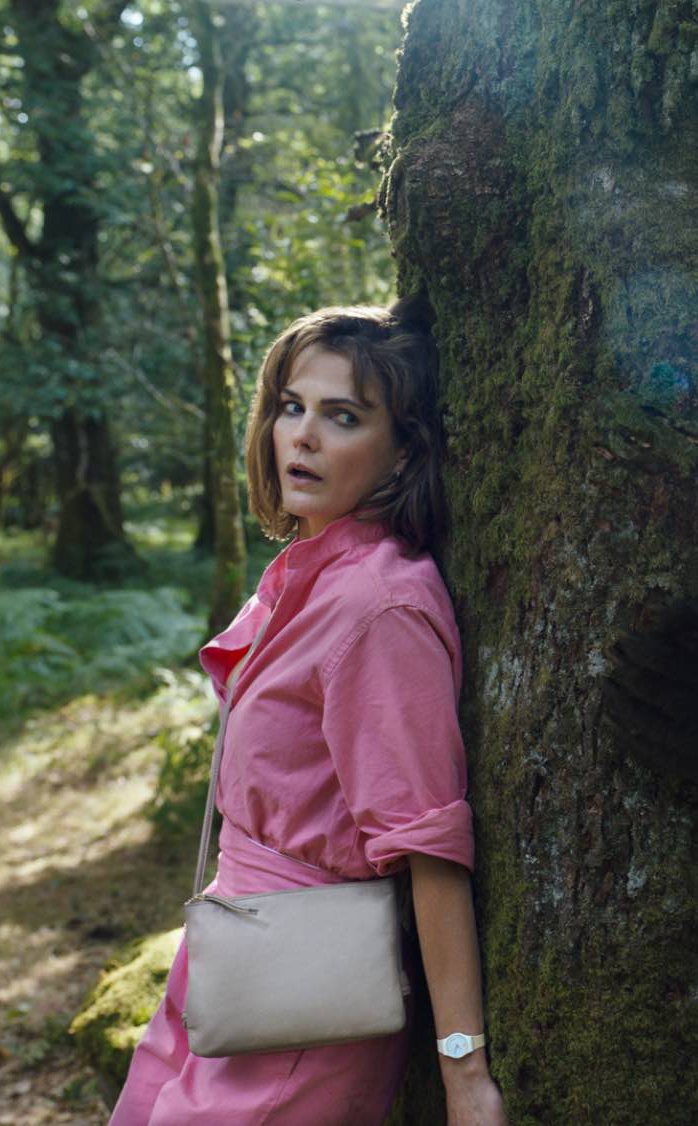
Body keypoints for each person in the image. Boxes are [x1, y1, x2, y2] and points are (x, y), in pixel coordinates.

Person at [111, 299, 505, 1125]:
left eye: (343, 417)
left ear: (403, 448)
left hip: (305, 996)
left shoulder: (380, 606)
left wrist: (464, 1074)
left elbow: (431, 847)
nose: (304, 437)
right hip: (231, 953)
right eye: (292, 407)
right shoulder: (308, 571)